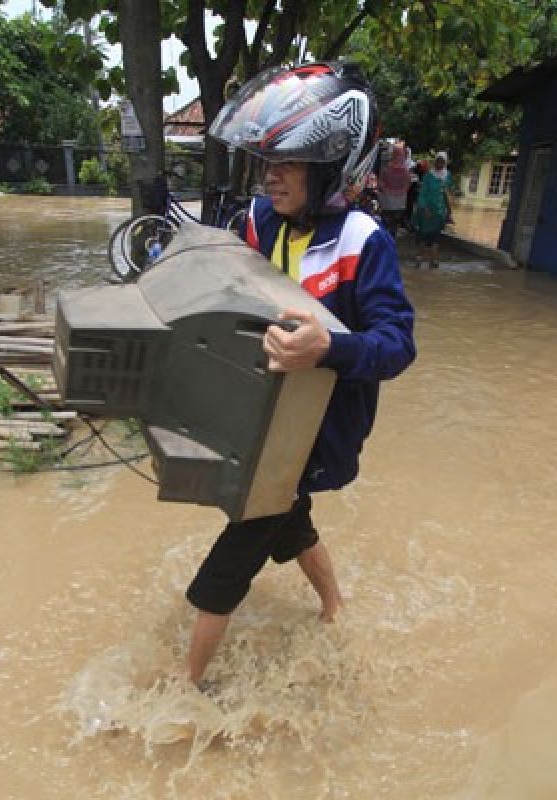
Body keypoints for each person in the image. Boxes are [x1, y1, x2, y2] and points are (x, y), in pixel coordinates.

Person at [188, 62, 416, 688]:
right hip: (256, 411)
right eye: (268, 161)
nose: (271, 175)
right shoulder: (257, 222)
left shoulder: (363, 242)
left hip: (312, 432)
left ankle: (184, 689)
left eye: (287, 162)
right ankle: (335, 605)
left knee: (237, 549)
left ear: (331, 167)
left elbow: (397, 347)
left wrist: (329, 349)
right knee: (289, 520)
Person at [411, 155, 448, 269]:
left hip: (439, 212)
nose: (440, 164)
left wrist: (448, 211)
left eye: (442, 162)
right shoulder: (428, 176)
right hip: (426, 211)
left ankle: (434, 260)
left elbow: (445, 193)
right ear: (435, 162)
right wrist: (425, 208)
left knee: (436, 237)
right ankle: (419, 258)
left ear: (445, 163)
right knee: (423, 235)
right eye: (438, 161)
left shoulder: (447, 176)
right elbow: (422, 195)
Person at [377, 140, 411, 238]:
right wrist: (397, 192)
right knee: (393, 225)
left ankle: (386, 240)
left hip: (387, 201)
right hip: (398, 203)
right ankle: (390, 241)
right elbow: (406, 186)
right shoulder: (405, 170)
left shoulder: (386, 167)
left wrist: (388, 191)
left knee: (386, 224)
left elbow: (380, 182)